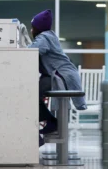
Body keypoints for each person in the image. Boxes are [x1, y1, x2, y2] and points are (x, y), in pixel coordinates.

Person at [28, 9, 87, 147]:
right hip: (60, 74)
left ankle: (52, 123)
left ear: (38, 28)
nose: (31, 31)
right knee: (33, 93)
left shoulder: (44, 37)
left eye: (33, 27)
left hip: (61, 75)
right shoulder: (48, 35)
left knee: (31, 94)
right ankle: (50, 123)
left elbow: (33, 51)